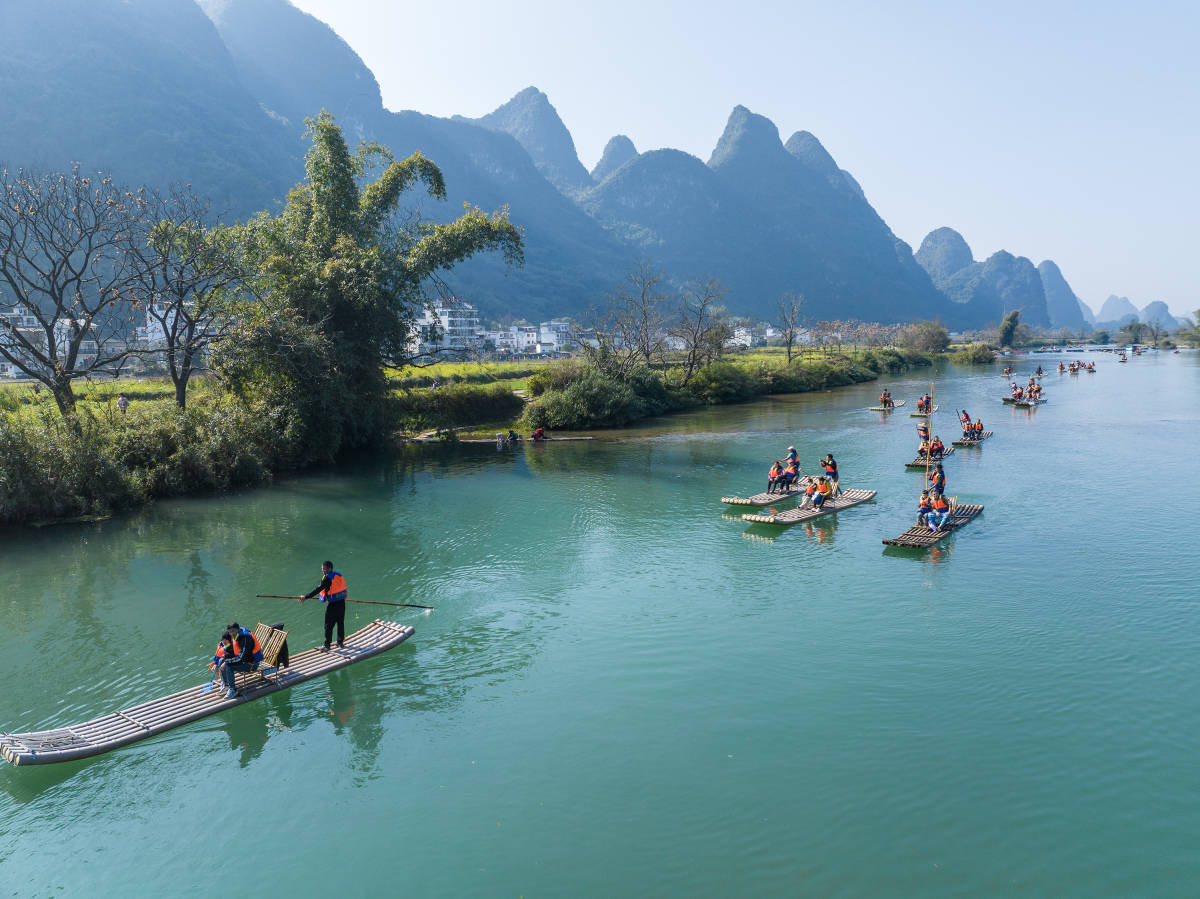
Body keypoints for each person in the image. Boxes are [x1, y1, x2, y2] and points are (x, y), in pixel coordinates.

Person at [300, 561, 348, 651]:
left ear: (330, 568)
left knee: (328, 625)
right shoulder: (338, 575)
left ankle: (327, 646)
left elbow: (318, 589)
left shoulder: (328, 579)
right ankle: (340, 642)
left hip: (333, 605)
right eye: (322, 569)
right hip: (341, 603)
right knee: (340, 623)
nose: (323, 571)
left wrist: (305, 597)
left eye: (324, 569)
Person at [218, 623, 263, 699]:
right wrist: (226, 657)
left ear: (238, 629)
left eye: (233, 631)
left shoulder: (245, 639)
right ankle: (226, 685)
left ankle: (233, 690)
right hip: (243, 660)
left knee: (229, 666)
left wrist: (227, 662)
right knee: (221, 660)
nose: (231, 634)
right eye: (230, 632)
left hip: (251, 664)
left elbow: (242, 658)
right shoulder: (237, 635)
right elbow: (235, 651)